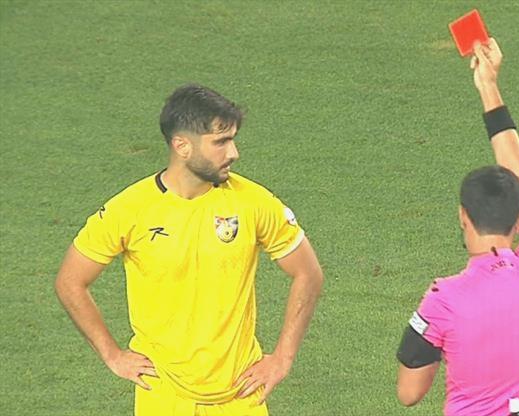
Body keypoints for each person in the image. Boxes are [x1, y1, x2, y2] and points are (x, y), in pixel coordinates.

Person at [54, 85, 324, 416]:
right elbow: (70, 281)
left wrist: (282, 358)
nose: (234, 152)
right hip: (162, 394)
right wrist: (112, 355)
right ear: (182, 146)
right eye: (220, 142)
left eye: (232, 139)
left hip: (240, 392)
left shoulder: (254, 202)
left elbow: (308, 273)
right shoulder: (129, 209)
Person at [396, 38, 519, 416]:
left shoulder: (444, 298)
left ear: (463, 216)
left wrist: (424, 330)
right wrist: (489, 85)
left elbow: (408, 392)